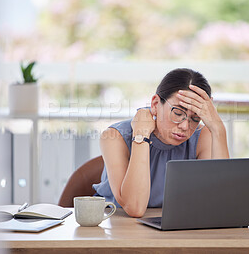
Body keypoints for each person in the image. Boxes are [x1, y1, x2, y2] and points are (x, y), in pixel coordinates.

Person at [93, 68, 230, 217]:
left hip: (173, 224)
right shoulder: (115, 136)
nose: (185, 126)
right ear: (155, 103)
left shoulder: (202, 136)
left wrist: (218, 129)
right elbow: (135, 208)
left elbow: (219, 202)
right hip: (114, 224)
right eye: (178, 113)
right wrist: (141, 135)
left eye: (195, 118)